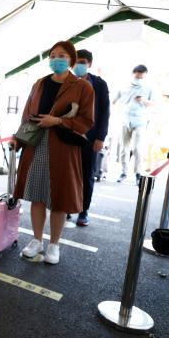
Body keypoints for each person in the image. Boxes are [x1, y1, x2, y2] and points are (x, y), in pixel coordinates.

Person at [11, 41, 94, 265]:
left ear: (71, 60)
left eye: (62, 55)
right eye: (53, 55)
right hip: (36, 145)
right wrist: (18, 138)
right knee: (37, 195)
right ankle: (37, 240)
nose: (56, 59)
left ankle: (54, 244)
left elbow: (87, 121)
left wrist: (57, 121)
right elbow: (27, 115)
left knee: (60, 199)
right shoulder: (39, 83)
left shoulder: (82, 86)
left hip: (63, 148)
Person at [72, 49, 110, 226]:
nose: (78, 65)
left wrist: (100, 137)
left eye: (82, 62)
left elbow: (105, 112)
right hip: (68, 135)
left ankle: (83, 211)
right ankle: (66, 207)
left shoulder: (99, 84)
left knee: (87, 175)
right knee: (68, 174)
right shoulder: (67, 81)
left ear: (90, 64)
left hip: (91, 137)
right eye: (76, 62)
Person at [112, 65, 155, 183]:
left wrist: (143, 100)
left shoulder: (149, 88)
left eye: (141, 77)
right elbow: (113, 101)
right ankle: (124, 172)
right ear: (133, 74)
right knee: (123, 148)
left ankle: (138, 173)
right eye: (137, 76)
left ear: (145, 76)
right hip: (125, 120)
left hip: (140, 121)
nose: (139, 79)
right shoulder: (124, 86)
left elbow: (153, 103)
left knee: (137, 148)